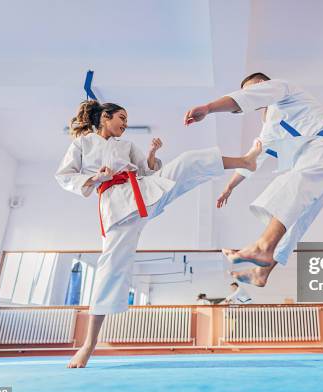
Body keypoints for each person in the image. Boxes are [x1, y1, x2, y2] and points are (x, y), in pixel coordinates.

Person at [55, 100, 261, 368]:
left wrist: (151, 154)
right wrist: (96, 178)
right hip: (118, 208)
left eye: (127, 119)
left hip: (144, 193)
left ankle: (245, 161)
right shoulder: (83, 143)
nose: (125, 123)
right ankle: (88, 345)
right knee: (110, 271)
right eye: (121, 117)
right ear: (104, 117)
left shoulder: (126, 146)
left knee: (188, 160)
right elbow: (64, 175)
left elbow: (149, 171)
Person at [184, 73, 323, 287]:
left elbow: (243, 99)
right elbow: (250, 160)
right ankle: (262, 272)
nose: (252, 94)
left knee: (292, 186)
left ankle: (263, 247)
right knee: (299, 215)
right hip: (321, 156)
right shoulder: (269, 129)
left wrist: (209, 108)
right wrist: (229, 187)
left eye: (253, 89)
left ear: (263, 84)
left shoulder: (282, 88)